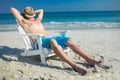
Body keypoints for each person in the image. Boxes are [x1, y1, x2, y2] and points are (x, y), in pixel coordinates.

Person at [11, 6, 102, 75]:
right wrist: (23, 14)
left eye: (33, 14)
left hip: (48, 38)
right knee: (53, 42)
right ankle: (74, 66)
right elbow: (12, 9)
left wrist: (31, 12)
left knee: (68, 39)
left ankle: (89, 60)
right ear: (26, 16)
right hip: (40, 42)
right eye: (30, 15)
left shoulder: (38, 20)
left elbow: (41, 10)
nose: (32, 16)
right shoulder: (24, 22)